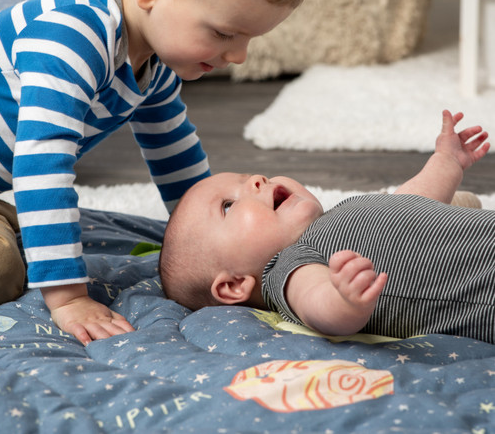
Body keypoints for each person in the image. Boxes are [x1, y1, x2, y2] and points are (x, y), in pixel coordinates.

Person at [0, 0, 312, 345]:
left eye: (249, 39)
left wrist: (212, 244)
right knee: (4, 266)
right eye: (223, 33)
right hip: (26, 173)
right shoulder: (71, 36)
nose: (238, 57)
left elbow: (174, 150)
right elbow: (41, 166)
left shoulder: (154, 59)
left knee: (46, 227)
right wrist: (68, 298)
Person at [159, 110, 495, 343]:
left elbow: (410, 202)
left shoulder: (339, 213)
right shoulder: (288, 267)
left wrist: (446, 162)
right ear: (233, 286)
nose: (258, 180)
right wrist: (344, 300)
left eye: (248, 176)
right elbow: (317, 303)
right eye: (228, 205)